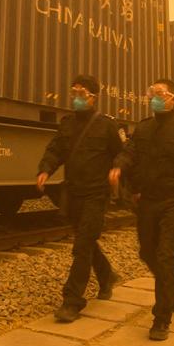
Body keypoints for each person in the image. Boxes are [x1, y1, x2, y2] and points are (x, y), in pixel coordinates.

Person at [110, 78, 174, 341]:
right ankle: (172, 283)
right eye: (151, 93)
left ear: (172, 99)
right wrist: (119, 166)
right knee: (147, 252)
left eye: (159, 93)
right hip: (148, 202)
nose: (154, 97)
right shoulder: (143, 128)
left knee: (167, 256)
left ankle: (161, 318)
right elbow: (129, 152)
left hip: (173, 201)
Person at [36, 74, 126, 322]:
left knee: (82, 245)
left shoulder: (108, 125)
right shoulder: (67, 124)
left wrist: (117, 167)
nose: (76, 98)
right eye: (73, 92)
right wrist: (45, 169)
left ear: (93, 98)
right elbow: (55, 150)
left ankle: (72, 301)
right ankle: (106, 275)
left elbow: (123, 153)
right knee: (85, 240)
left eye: (82, 93)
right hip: (73, 193)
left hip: (96, 194)